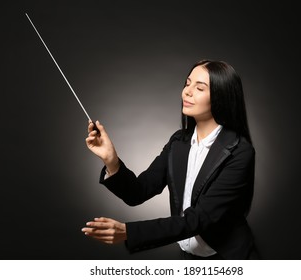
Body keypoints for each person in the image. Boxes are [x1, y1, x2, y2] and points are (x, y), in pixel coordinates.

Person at [81, 59, 257, 259]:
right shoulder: (178, 142)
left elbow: (197, 220)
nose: (187, 92)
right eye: (187, 83)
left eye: (199, 88)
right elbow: (138, 192)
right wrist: (111, 160)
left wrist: (129, 232)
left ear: (221, 97)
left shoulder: (240, 152)